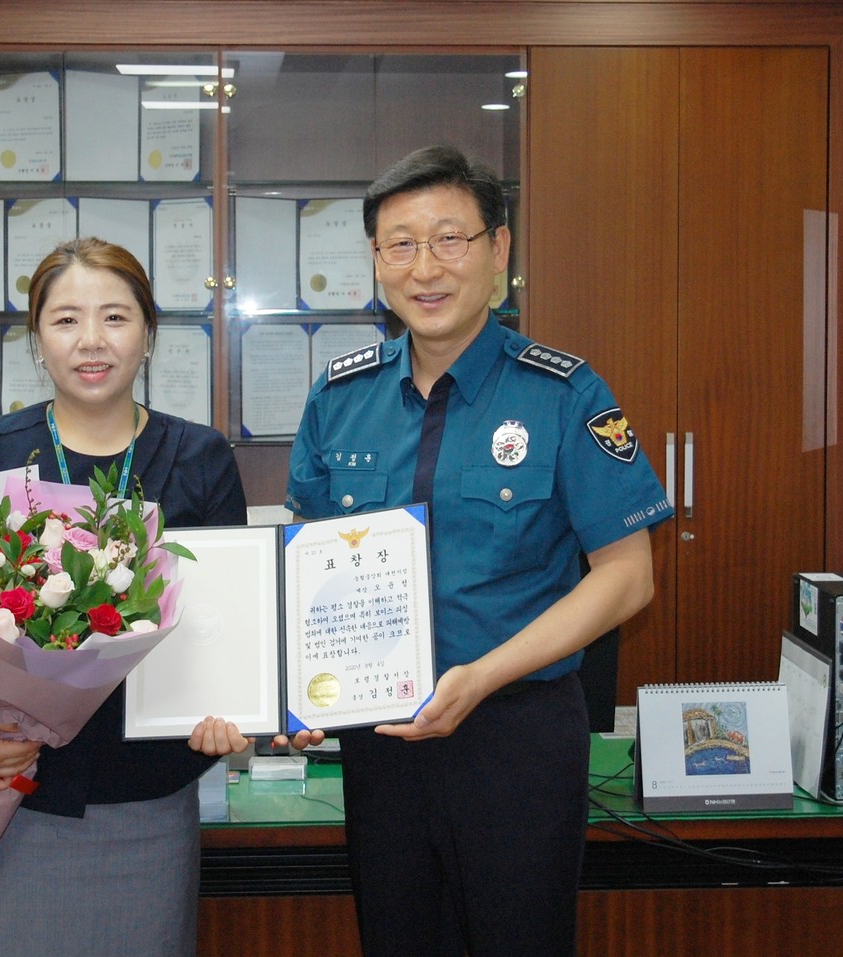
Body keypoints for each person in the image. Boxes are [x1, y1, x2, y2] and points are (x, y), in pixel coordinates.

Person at [285, 145, 674, 956]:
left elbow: (628, 578)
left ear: (498, 252)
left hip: (517, 738)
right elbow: (306, 569)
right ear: (376, 262)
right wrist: (294, 697)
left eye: (450, 238)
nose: (425, 267)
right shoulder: (338, 398)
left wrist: (484, 675)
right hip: (380, 742)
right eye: (401, 243)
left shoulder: (564, 393)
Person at [0, 237, 252, 957]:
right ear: (37, 338)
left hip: (148, 798)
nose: (91, 341)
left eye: (116, 318)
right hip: (12, 787)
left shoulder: (199, 456)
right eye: (66, 319)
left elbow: (227, 620)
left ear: (150, 333)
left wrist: (234, 713)